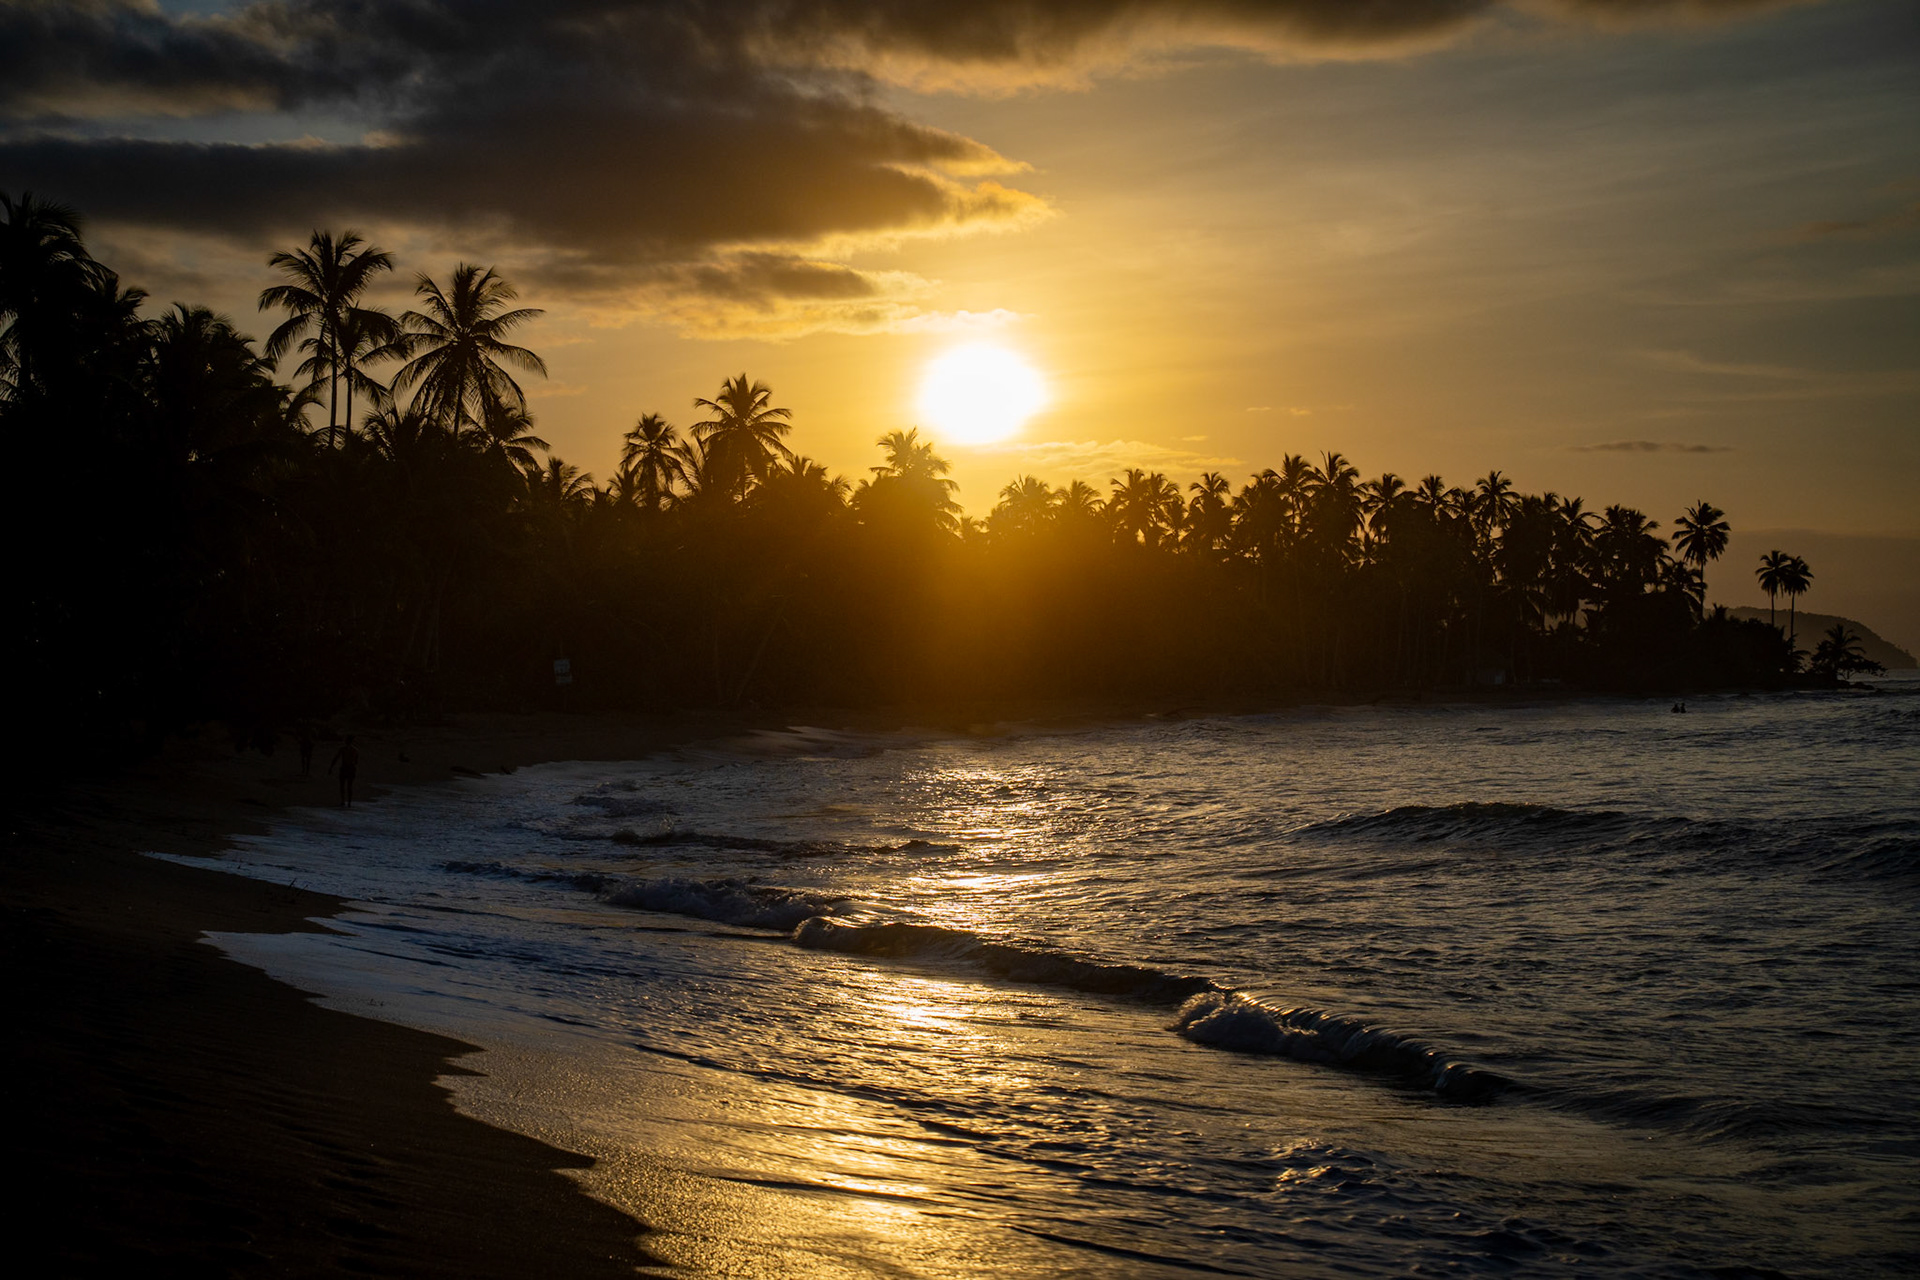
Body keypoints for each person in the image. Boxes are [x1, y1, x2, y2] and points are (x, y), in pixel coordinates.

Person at [329, 735, 360, 808]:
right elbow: (356, 762)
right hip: (351, 768)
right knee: (349, 786)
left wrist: (331, 767)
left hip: (345, 768)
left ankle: (343, 801)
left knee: (342, 785)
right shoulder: (355, 750)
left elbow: (336, 758)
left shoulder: (342, 749)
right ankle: (349, 802)